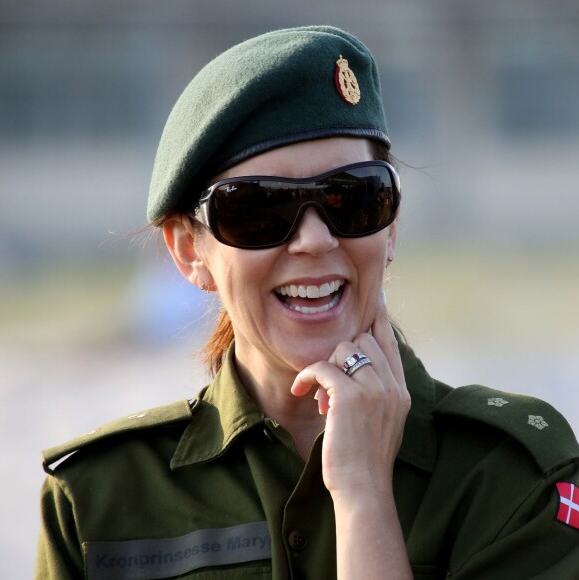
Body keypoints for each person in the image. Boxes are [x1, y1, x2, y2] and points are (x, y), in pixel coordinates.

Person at [35, 26, 579, 579]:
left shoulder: (510, 477)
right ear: (187, 252)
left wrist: (364, 495)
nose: (315, 240)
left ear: (391, 226)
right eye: (258, 209)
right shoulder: (99, 503)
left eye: (355, 195)